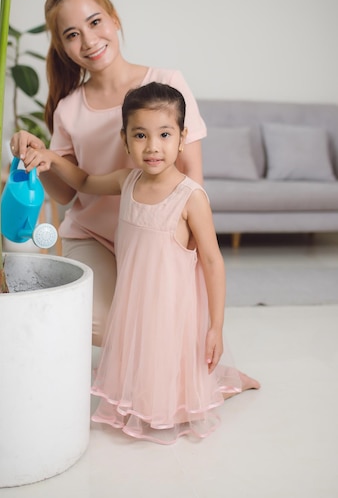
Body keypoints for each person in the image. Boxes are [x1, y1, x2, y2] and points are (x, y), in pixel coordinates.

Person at [22, 82, 260, 444]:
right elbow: (84, 181)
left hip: (172, 308)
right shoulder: (127, 180)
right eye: (140, 135)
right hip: (135, 302)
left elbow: (212, 261)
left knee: (178, 399)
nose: (152, 147)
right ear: (124, 139)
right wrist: (52, 158)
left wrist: (216, 326)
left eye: (164, 134)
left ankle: (228, 384)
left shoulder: (190, 198)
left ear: (182, 138)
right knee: (139, 379)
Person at [10, 0, 207, 347]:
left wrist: (187, 249)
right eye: (71, 34)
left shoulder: (167, 83)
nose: (88, 40)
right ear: (63, 47)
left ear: (114, 19)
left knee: (161, 328)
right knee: (103, 325)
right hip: (95, 237)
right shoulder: (68, 109)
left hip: (159, 236)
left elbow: (193, 176)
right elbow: (68, 193)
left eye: (95, 22)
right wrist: (38, 158)